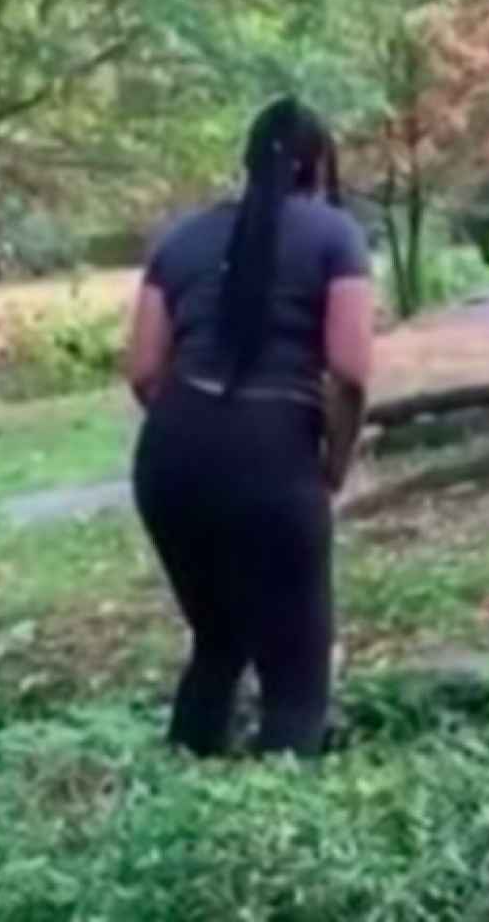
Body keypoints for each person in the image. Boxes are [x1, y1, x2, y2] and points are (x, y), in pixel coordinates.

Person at [122, 96, 375, 758]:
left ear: (246, 162)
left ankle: (184, 779)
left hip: (170, 456)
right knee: (297, 670)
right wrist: (335, 462)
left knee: (219, 638)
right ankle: (280, 827)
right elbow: (349, 371)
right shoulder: (333, 234)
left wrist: (200, 430)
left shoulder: (180, 239)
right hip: (273, 452)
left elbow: (144, 370)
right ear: (317, 166)